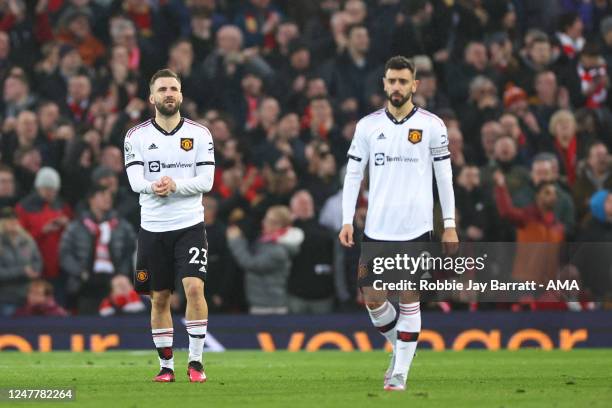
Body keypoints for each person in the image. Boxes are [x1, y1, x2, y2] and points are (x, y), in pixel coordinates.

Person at [339, 56, 457, 391]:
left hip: (416, 228)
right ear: (384, 84)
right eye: (391, 81)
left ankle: (400, 373)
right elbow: (352, 175)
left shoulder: (433, 125)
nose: (396, 87)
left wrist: (449, 223)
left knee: (409, 298)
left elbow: (444, 178)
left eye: (403, 81)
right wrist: (347, 220)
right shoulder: (367, 126)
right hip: (376, 229)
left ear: (414, 86)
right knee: (373, 298)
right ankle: (404, 347)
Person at [124, 69, 215, 383]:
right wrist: (154, 188)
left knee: (193, 287)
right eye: (162, 89)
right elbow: (136, 180)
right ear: (152, 98)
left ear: (181, 94)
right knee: (159, 297)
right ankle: (166, 367)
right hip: (152, 228)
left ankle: (196, 363)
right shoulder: (135, 137)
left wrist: (173, 185)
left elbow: (207, 180)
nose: (168, 93)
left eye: (173, 88)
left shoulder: (200, 134)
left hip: (190, 225)